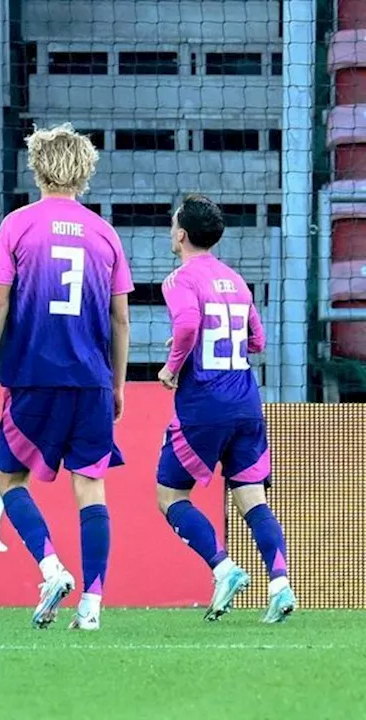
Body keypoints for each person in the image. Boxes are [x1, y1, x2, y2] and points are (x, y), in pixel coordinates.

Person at [0, 123, 132, 631]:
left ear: (38, 167)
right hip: (90, 379)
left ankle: (50, 568)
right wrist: (118, 385)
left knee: (8, 479)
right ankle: (93, 604)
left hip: (33, 377)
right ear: (85, 171)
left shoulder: (18, 224)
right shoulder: (105, 233)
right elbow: (121, 317)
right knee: (91, 488)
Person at [155, 194, 296, 623]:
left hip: (205, 403)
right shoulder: (236, 280)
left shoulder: (179, 279)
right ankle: (280, 583)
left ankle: (223, 567)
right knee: (251, 497)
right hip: (247, 401)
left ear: (181, 234)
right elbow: (257, 342)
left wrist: (171, 366)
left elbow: (186, 325)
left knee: (170, 495)